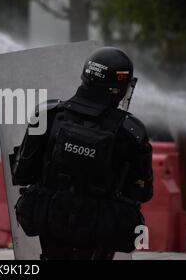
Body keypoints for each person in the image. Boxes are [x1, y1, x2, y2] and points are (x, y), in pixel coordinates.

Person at [10, 47, 153, 260]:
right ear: (119, 87)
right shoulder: (130, 131)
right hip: (100, 230)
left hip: (51, 221)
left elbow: (20, 174)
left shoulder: (48, 115)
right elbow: (142, 192)